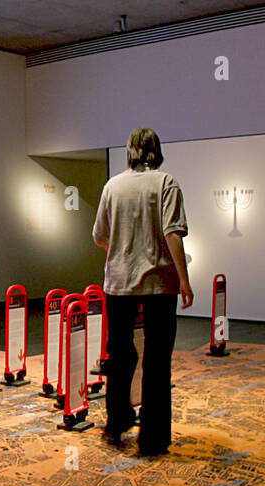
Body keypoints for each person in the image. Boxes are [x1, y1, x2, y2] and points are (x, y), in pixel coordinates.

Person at [92, 127, 192, 456]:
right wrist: (184, 279)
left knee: (119, 357)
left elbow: (99, 237)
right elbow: (173, 233)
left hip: (118, 284)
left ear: (130, 150)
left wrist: (125, 245)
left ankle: (117, 421)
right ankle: (153, 437)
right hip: (158, 285)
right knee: (157, 360)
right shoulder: (166, 183)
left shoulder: (113, 186)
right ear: (156, 149)